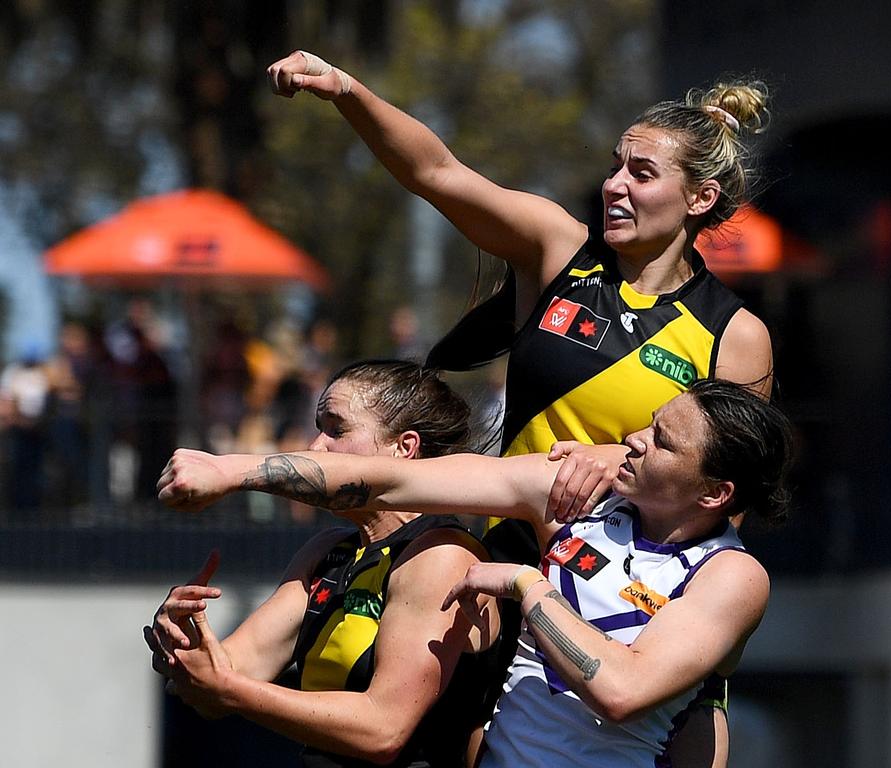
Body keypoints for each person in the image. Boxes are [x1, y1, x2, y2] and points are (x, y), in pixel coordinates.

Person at [266, 50, 775, 764]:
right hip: (513, 566)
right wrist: (348, 90)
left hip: (641, 607)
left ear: (699, 197)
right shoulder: (558, 250)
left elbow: (728, 498)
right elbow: (437, 174)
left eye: (642, 172)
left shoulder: (735, 335)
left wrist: (612, 458)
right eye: (613, 167)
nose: (615, 187)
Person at [156, 378, 794, 768]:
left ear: (715, 492)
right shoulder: (576, 498)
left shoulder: (731, 576)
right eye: (649, 424)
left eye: (663, 441)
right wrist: (235, 470)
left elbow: (622, 690)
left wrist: (526, 584)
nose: (631, 439)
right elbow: (397, 478)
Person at [145, 360, 502, 768]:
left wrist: (229, 688)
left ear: (404, 448)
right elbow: (225, 677)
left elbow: (383, 730)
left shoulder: (441, 555)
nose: (315, 448)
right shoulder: (326, 551)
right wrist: (184, 644)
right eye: (317, 428)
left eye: (336, 429)